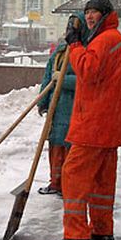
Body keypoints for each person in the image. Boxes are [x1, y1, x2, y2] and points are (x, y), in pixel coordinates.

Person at [49, 0, 121, 240]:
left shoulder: (105, 40)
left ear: (106, 15)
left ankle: (76, 235)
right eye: (87, 12)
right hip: (110, 123)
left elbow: (87, 70)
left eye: (95, 12)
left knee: (74, 174)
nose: (89, 16)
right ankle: (102, 229)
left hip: (95, 123)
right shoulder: (118, 41)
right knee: (102, 181)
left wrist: (75, 45)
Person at [37, 12, 90, 197]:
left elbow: (87, 80)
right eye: (68, 27)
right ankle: (55, 182)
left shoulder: (85, 52)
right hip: (56, 109)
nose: (70, 31)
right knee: (55, 146)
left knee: (70, 150)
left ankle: (69, 185)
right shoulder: (60, 51)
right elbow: (47, 77)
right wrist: (42, 102)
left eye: (74, 28)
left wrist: (64, 80)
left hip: (75, 109)